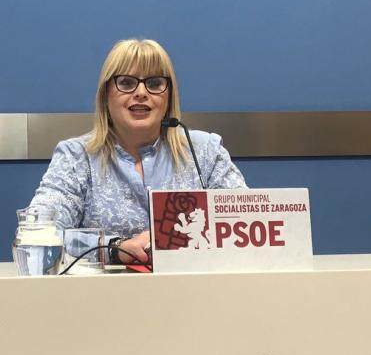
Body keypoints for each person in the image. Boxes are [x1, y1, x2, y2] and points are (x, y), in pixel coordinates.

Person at [29, 39, 246, 264]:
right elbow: (39, 233)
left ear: (169, 96)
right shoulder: (76, 157)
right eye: (126, 82)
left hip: (194, 284)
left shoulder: (205, 152)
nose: (141, 92)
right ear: (105, 94)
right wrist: (114, 248)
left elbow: (246, 225)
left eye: (154, 83)